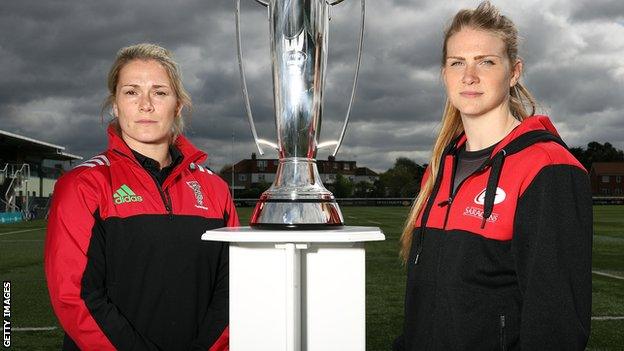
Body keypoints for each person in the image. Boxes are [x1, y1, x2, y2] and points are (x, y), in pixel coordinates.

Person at [394, 2, 592, 350]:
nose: (469, 76)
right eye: (458, 62)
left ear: (514, 72)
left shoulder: (547, 168)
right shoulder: (439, 170)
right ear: (444, 74)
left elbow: (556, 327)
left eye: (486, 61)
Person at [45, 43, 237, 350]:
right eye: (132, 91)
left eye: (159, 92)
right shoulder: (83, 184)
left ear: (177, 105)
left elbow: (233, 289)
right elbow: (75, 297)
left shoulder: (216, 190)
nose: (145, 104)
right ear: (116, 104)